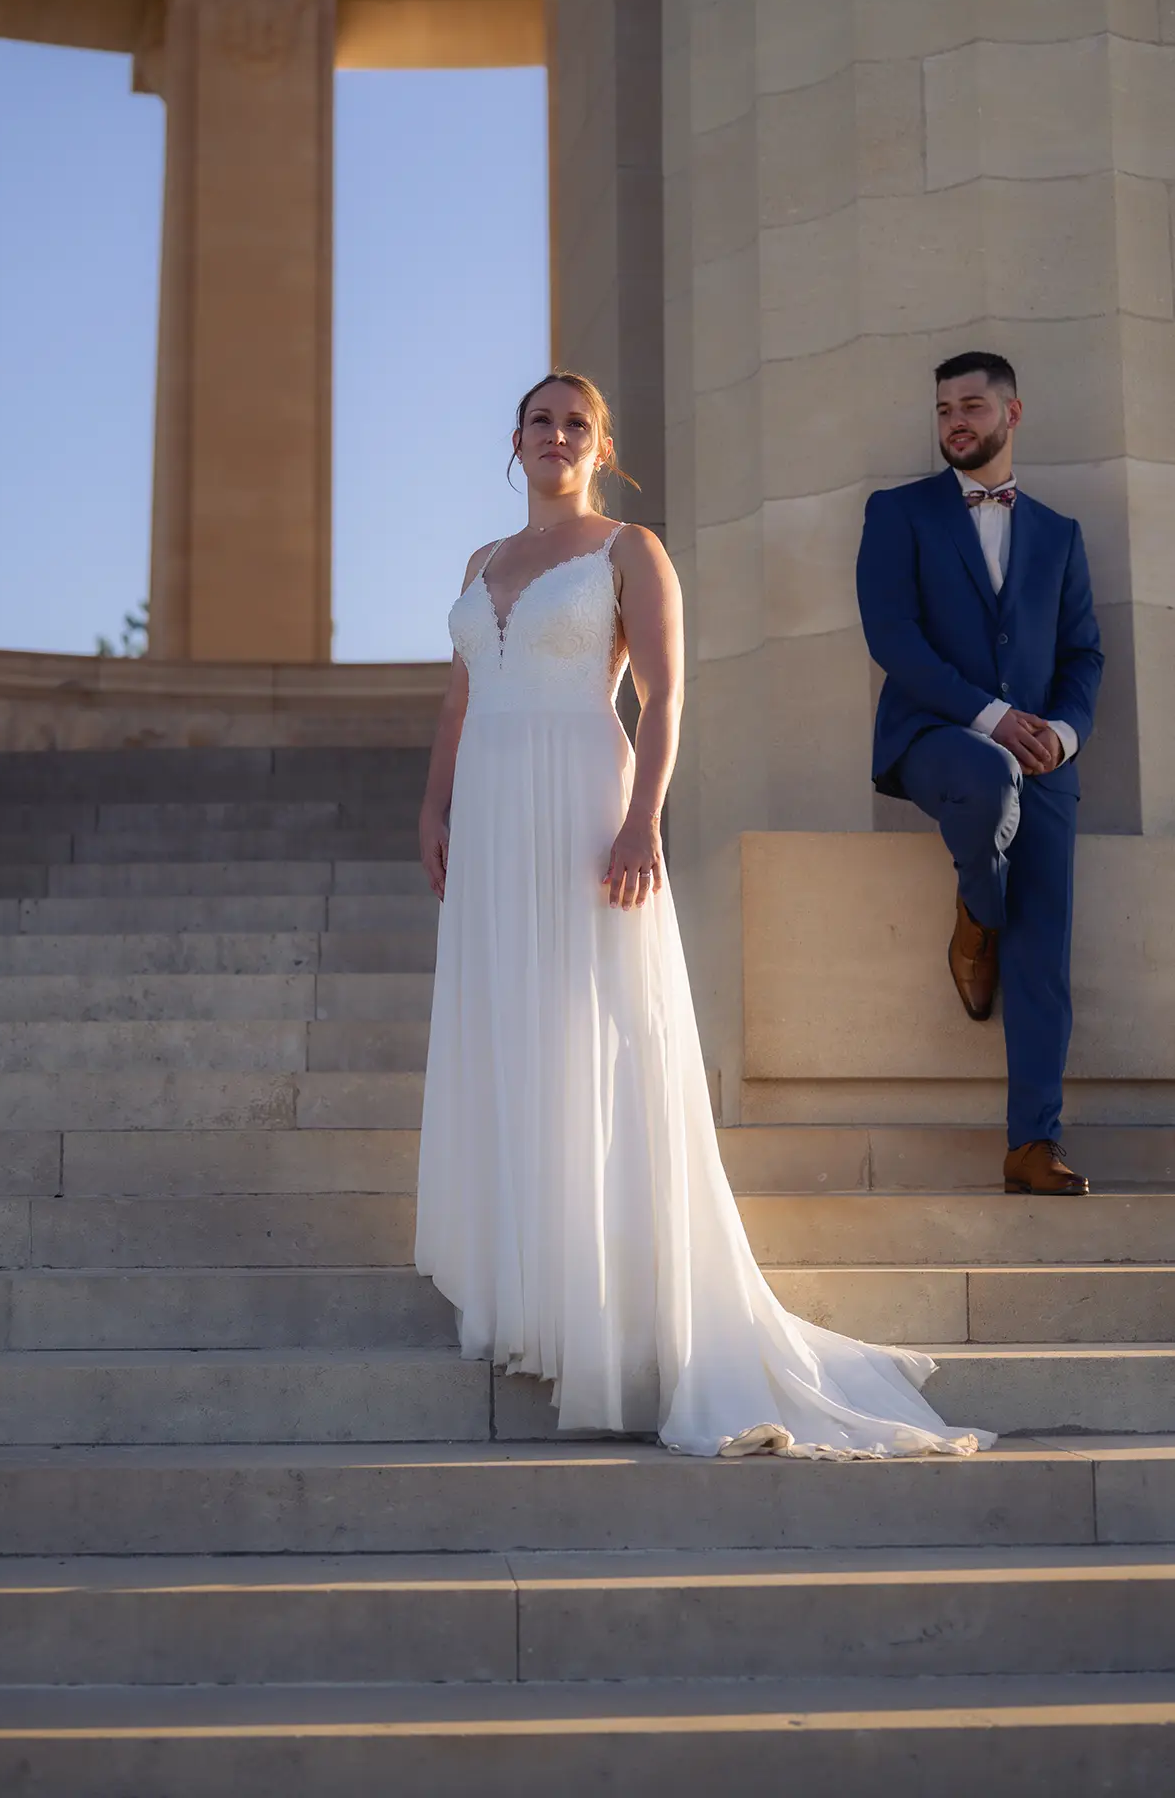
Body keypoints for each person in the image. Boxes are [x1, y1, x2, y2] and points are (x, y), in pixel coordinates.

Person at [414, 370, 991, 1458]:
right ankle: (532, 1291)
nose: (556, 434)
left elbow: (667, 694)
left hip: (586, 799)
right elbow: (459, 695)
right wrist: (434, 805)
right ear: (516, 438)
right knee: (516, 1031)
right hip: (490, 817)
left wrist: (644, 823)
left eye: (577, 421)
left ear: (602, 442)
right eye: (540, 419)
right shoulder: (479, 564)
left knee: (598, 1031)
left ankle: (613, 1310)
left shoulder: (631, 547)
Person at [856, 351, 1104, 1197]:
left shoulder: (1059, 535)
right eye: (941, 410)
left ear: (1011, 413)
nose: (953, 421)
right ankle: (974, 913)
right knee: (990, 783)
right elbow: (891, 637)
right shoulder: (897, 514)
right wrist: (991, 718)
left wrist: (1065, 736)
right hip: (937, 735)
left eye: (969, 405)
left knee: (1042, 955)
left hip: (1046, 762)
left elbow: (1082, 655)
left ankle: (1032, 1144)